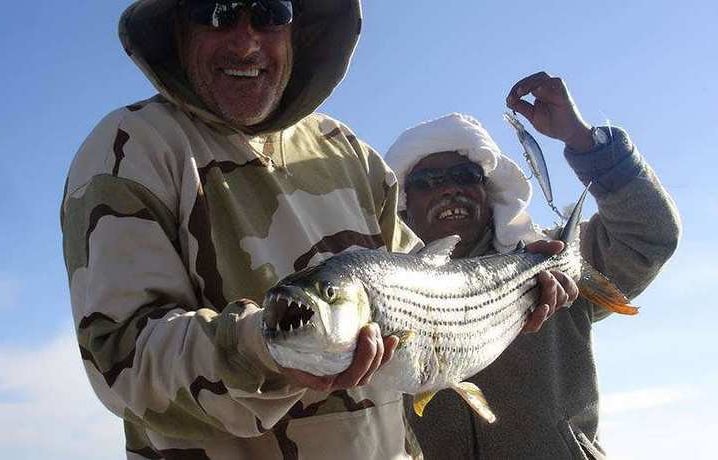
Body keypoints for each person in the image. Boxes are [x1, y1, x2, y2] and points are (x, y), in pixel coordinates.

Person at [61, 2, 576, 458]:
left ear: (298, 29)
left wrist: (515, 297)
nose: (244, 41)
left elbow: (425, 289)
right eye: (215, 11)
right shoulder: (133, 148)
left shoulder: (348, 151)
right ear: (179, 27)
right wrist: (265, 353)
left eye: (269, 12)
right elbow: (123, 359)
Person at [383, 72, 682, 459]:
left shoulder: (549, 254)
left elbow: (650, 232)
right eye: (428, 181)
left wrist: (582, 139)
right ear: (404, 203)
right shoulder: (386, 288)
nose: (449, 188)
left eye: (465, 176)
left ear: (488, 193)